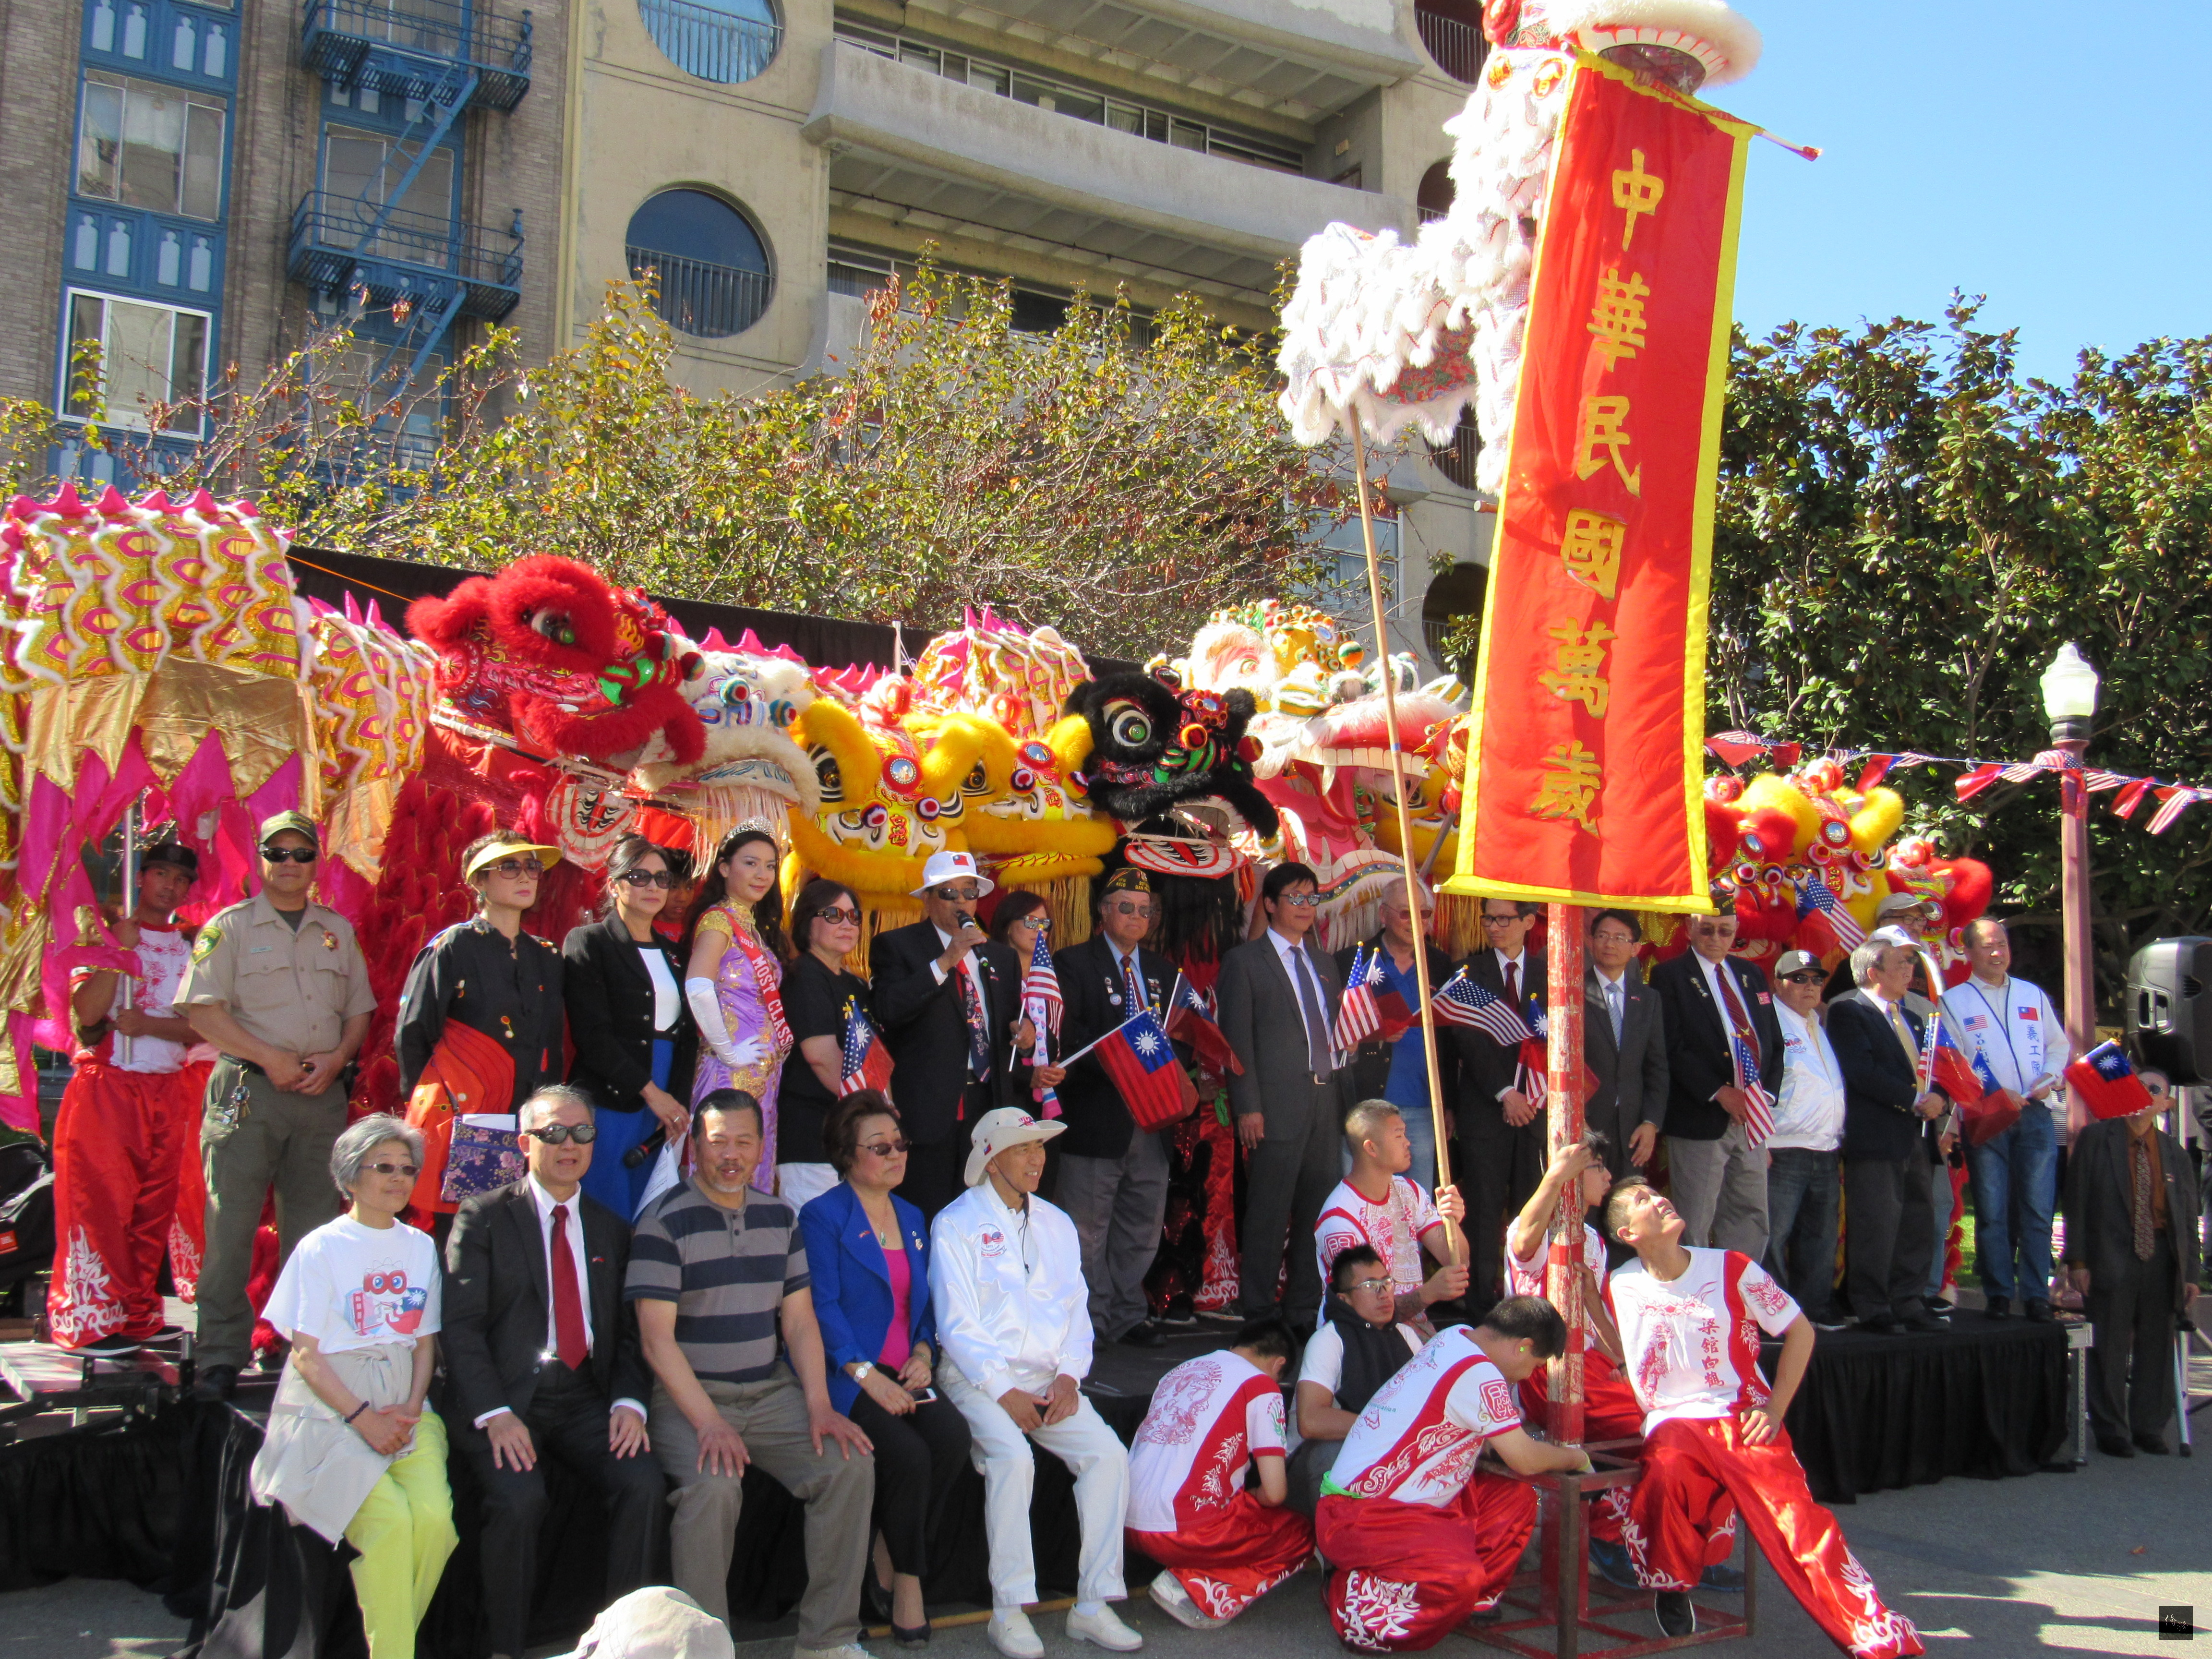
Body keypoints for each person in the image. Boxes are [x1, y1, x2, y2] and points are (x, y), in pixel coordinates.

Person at [1601, 1178, 1923, 1654]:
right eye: (1643, 1201)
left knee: (1796, 1522)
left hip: (1740, 1414)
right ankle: (1671, 1584)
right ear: (1628, 1234)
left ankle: (1873, 1635)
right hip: (1671, 1421)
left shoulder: (1732, 1267)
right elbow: (1589, 1314)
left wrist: (1774, 1409)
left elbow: (1801, 1332)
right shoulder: (1618, 1284)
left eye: (1657, 1193)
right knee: (1665, 1477)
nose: (1660, 1200)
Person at [627, 1090, 875, 1659]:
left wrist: (819, 1405)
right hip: (690, 1397)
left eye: (744, 1141)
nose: (731, 1155)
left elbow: (800, 1323)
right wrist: (709, 1422)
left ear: (763, 1147)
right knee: (714, 1490)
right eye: (718, 1142)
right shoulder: (662, 1222)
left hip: (769, 1392)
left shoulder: (780, 1217)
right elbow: (655, 1341)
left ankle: (828, 1641)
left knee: (849, 1466)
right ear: (695, 1147)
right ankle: (706, 1649)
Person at [441, 1084, 665, 1659]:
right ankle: (504, 1649)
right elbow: (460, 1329)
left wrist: (629, 1403)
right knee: (519, 1501)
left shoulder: (611, 1227)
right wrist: (494, 1414)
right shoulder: (484, 1217)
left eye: (582, 1133)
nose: (570, 1145)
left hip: (587, 1396)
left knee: (642, 1483)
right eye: (553, 1133)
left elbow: (630, 1333)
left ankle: (624, 1643)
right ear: (525, 1143)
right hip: (509, 1397)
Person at [179, 810, 378, 1402]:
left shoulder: (336, 931)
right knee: (231, 1225)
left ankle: (304, 1353)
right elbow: (201, 1010)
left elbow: (360, 1009)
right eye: (277, 852)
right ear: (260, 859)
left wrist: (338, 1059)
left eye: (302, 853)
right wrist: (270, 1058)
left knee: (314, 1233)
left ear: (317, 862)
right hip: (250, 1091)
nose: (290, 863)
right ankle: (220, 1354)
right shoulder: (230, 928)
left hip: (320, 1096)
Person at [931, 1107, 1141, 1658]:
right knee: (1012, 1458)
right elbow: (956, 1324)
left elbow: (1076, 1306)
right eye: (1023, 1148)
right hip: (976, 1378)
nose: (1037, 1158)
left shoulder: (1056, 1222)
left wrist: (1071, 1376)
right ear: (992, 1159)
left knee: (1108, 1457)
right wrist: (1003, 1391)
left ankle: (1093, 1605)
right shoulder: (955, 1222)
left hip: (1048, 1378)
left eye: (1040, 1147)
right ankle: (1009, 1611)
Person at [249, 1116, 456, 1659]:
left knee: (435, 1523)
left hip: (406, 1404)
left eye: (407, 1169)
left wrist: (410, 1408)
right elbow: (305, 1355)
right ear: (350, 1175)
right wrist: (364, 1418)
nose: (399, 1178)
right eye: (383, 1167)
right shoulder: (321, 1248)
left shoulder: (421, 1247)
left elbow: (425, 1344)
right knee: (391, 1524)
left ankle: (392, 1644)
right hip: (334, 1407)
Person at [1314, 1299, 1593, 1650]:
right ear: (1523, 1346)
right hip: (1362, 1515)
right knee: (1458, 1579)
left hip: (1413, 1505)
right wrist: (1576, 1457)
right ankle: (1351, 1602)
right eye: (1535, 1365)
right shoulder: (1480, 1373)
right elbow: (1524, 1458)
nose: (1528, 1376)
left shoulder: (1455, 1337)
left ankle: (1468, 1600)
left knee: (1515, 1498)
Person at [799, 1090, 972, 1645]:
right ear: (847, 1156)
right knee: (909, 1456)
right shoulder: (822, 1216)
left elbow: (922, 1306)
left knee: (952, 1439)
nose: (897, 1154)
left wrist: (923, 1353)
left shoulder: (913, 1216)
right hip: (848, 1375)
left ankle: (890, 1548)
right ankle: (908, 1584)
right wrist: (865, 1375)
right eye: (880, 1147)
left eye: (901, 1144)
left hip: (903, 1371)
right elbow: (822, 1306)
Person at [46, 838, 203, 1355]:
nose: (170, 886)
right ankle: (90, 1322)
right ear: (141, 877)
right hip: (109, 1085)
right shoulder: (102, 935)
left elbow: (204, 1027)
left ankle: (137, 1314)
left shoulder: (194, 946)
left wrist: (150, 1025)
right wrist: (118, 953)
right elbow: (88, 1014)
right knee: (100, 1203)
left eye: (180, 880)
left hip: (169, 1088)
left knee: (153, 1207)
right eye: (160, 874)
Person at [395, 831, 565, 1229]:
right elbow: (414, 1032)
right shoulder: (454, 946)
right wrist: (436, 1104)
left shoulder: (546, 956)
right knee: (460, 1233)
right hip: (463, 1114)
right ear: (479, 881)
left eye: (532, 867)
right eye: (509, 867)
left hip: (528, 1118)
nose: (524, 876)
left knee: (517, 1231)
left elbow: (552, 1041)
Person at [1051, 868, 1178, 1347]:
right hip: (1096, 1115)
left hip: (1153, 1118)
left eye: (1146, 910)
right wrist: (1125, 1067)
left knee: (1141, 1224)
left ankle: (1127, 1315)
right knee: (1086, 1229)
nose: (1137, 917)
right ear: (1103, 911)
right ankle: (1090, 1319)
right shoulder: (1072, 963)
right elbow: (1068, 1037)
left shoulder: (1164, 971)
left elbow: (1182, 1033)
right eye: (1127, 907)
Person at [1217, 861, 1346, 1325]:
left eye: (1312, 898)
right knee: (1269, 1212)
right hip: (1274, 1107)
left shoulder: (1324, 963)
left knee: (1317, 1210)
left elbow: (1333, 1029)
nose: (1305, 907)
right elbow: (1237, 1043)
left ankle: (1303, 1307)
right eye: (1295, 898)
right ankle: (1258, 1311)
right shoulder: (1245, 962)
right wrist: (1248, 1107)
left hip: (1325, 1101)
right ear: (1270, 904)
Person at [1125, 1317, 1312, 1631]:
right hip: (1185, 1529)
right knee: (1298, 1534)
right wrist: (1253, 1497)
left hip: (1125, 1519)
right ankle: (1194, 1588)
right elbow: (1275, 1492)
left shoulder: (1178, 1373)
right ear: (1279, 1364)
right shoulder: (1261, 1385)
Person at [870, 850, 1023, 1219]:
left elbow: (1009, 1021)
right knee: (926, 1212)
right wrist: (943, 963)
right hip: (930, 1106)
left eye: (969, 893)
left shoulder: (1000, 956)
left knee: (980, 1216)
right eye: (949, 893)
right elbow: (888, 1010)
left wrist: (1026, 1032)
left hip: (986, 1103)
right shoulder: (897, 946)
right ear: (927, 899)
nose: (961, 902)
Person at [1939, 918, 2069, 1321]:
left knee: (2038, 1209)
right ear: (1968, 952)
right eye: (1987, 946)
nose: (1997, 953)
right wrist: (1994, 1093)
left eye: (2002, 944)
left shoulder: (2032, 994)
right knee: (1992, 1210)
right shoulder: (1954, 1001)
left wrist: (2050, 1077)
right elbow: (1955, 1062)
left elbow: (2057, 1045)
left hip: (2035, 1113)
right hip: (1988, 1116)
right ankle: (1998, 1293)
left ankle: (2036, 1294)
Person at [564, 835, 698, 1220]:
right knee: (605, 1206)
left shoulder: (676, 954)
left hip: (665, 1098)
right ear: (614, 885)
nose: (654, 887)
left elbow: (688, 1037)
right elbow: (592, 1034)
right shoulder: (589, 942)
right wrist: (651, 1093)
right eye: (640, 877)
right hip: (613, 1095)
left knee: (652, 1208)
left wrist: (676, 1104)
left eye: (662, 878)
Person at [2063, 1089, 2203, 1456]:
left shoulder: (2175, 1153)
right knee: (2109, 1343)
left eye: (2155, 1091)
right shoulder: (2097, 1139)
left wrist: (2190, 1272)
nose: (2145, 1096)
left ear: (2166, 1105)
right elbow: (2076, 1201)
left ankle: (2149, 1427)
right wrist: (2078, 1261)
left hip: (2162, 1255)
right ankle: (2112, 1430)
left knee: (2158, 1345)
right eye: (2139, 1087)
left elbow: (2188, 1218)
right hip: (2111, 1253)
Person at [1827, 938, 1948, 1334]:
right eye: (1900, 963)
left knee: (1918, 1221)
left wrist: (1939, 1097)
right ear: (1873, 972)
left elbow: (1934, 1069)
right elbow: (1862, 1072)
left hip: (1918, 1136)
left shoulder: (1913, 1017)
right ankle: (1872, 1305)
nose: (1909, 970)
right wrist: (1915, 1100)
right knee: (1877, 1223)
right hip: (1877, 1137)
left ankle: (1908, 1301)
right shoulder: (1850, 1012)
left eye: (1911, 963)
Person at [1649, 901, 1782, 1257]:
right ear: (1689, 929)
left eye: (1725, 931)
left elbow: (1772, 1041)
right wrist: (1719, 1092)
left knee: (1751, 1214)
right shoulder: (1669, 976)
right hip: (1701, 1115)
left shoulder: (1751, 974)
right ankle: (1696, 1289)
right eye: (1706, 929)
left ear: (1735, 932)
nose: (1716, 938)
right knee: (1694, 1219)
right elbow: (1671, 1046)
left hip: (1752, 1116)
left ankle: (1741, 1286)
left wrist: (1763, 1098)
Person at [1443, 899, 1549, 1308]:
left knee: (1531, 1208)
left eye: (1504, 919)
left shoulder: (1549, 973)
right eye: (1489, 918)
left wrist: (1530, 1096)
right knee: (1484, 1211)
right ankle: (1479, 1305)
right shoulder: (1468, 972)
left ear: (1528, 921)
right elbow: (1468, 1040)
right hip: (1485, 1113)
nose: (1493, 926)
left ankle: (1527, 1300)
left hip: (1536, 1113)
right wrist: (1506, 1092)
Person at [685, 826, 795, 1197]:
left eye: (770, 866)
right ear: (724, 868)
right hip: (729, 1071)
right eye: (751, 863)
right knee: (725, 1163)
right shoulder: (719, 920)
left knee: (752, 1168)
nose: (762, 874)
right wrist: (727, 1051)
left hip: (761, 1071)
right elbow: (698, 986)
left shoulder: (754, 926)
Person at [1333, 883, 1457, 1194]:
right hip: (1366, 1108)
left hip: (1424, 1107)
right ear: (1383, 915)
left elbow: (1449, 1043)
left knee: (1419, 1204)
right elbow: (1336, 1033)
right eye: (1405, 913)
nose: (1416, 921)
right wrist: (1375, 1033)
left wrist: (1449, 1105)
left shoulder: (1440, 964)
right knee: (1363, 1201)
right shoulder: (1351, 961)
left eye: (1424, 913)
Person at [1312, 1100, 1467, 1338]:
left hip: (1411, 1327)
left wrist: (1453, 1221)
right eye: (1398, 1135)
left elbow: (1458, 1261)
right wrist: (1429, 1293)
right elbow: (1367, 1313)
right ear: (1371, 1148)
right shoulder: (1340, 1220)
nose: (1408, 1142)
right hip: (1359, 1338)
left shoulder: (1409, 1191)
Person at [1287, 1244, 1422, 1514]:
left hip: (1388, 1453)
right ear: (1345, 1299)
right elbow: (1311, 1421)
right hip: (1316, 1461)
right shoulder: (1329, 1339)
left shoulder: (1407, 1337)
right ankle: (1336, 1539)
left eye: (1387, 1283)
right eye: (1370, 1286)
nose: (1384, 1294)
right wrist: (1388, 1428)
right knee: (1331, 1454)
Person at [777, 879, 875, 1212]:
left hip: (847, 1137)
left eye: (853, 916)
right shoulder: (804, 975)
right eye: (833, 915)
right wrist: (872, 1108)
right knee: (816, 1232)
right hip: (810, 1137)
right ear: (807, 921)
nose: (847, 924)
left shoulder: (855, 984)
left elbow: (873, 1057)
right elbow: (820, 1057)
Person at [1765, 950, 1847, 1329]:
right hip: (1783, 1148)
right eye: (1798, 979)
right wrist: (1761, 1142)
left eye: (1816, 979)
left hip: (1825, 1147)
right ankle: (1774, 1315)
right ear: (1778, 983)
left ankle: (1813, 1308)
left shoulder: (1817, 1020)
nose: (1809, 986)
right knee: (1774, 1234)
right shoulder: (1769, 1021)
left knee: (1820, 1236)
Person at [1583, 910, 1668, 1179]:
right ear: (1591, 942)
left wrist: (1651, 1123)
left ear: (1635, 949)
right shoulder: (1572, 992)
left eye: (1620, 938)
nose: (1610, 944)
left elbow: (1657, 1066)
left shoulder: (1648, 999)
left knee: (1628, 1200)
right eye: (1603, 936)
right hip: (1587, 1125)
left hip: (1632, 1130)